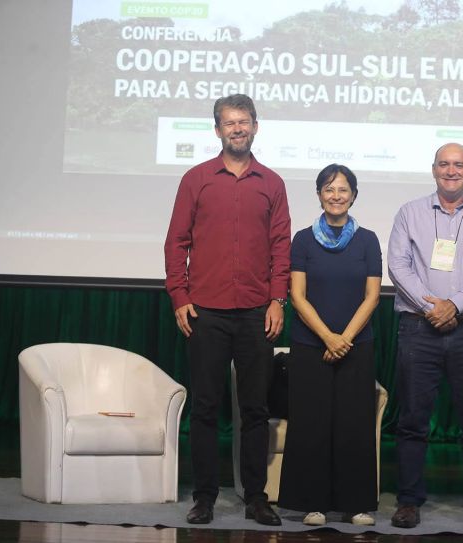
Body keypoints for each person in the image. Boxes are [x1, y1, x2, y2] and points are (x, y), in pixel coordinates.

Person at [164, 94, 290, 526]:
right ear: (217, 130)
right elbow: (175, 242)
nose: (237, 129)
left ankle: (256, 497)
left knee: (255, 409)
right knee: (204, 407)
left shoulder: (272, 183)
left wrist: (278, 299)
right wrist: (180, 297)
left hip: (257, 312)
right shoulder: (196, 179)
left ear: (256, 126)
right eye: (229, 123)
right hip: (206, 313)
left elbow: (280, 247)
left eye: (244, 122)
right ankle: (204, 498)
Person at [387, 143, 463, 530]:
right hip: (418, 329)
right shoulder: (410, 213)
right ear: (433, 169)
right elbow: (399, 266)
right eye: (444, 164)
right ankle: (408, 500)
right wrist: (432, 308)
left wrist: (453, 305)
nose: (451, 171)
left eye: (458, 165)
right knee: (412, 419)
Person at [278, 164, 382, 526]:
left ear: (354, 195)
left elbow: (372, 297)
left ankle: (356, 504)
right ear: (319, 195)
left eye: (342, 189)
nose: (336, 196)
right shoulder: (303, 240)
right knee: (312, 424)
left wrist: (345, 339)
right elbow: (297, 295)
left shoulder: (368, 239)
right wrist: (327, 337)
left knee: (354, 424)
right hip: (310, 345)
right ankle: (312, 503)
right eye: (328, 189)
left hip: (356, 344)